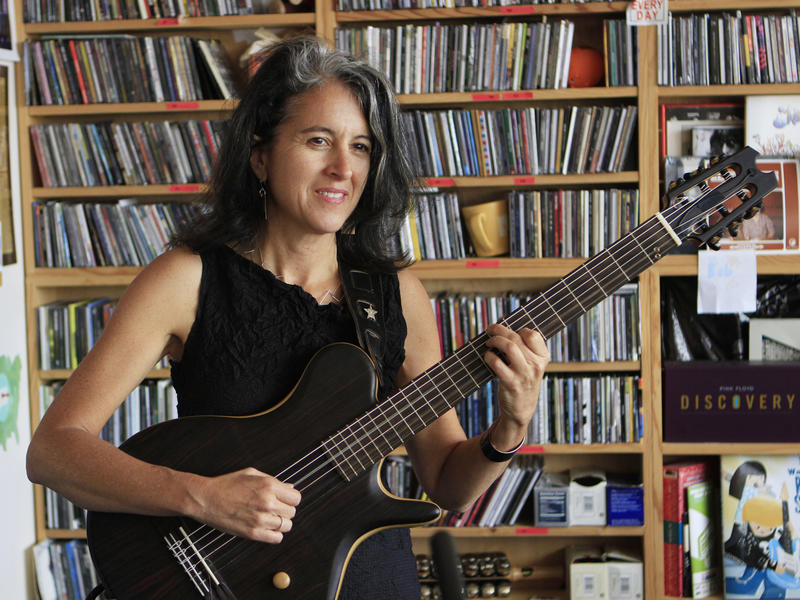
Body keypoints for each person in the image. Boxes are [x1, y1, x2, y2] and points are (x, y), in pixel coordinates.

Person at [26, 36, 549, 599]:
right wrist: (201, 496)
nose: (342, 168)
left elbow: (447, 481)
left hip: (367, 582)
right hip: (218, 581)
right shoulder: (186, 280)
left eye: (362, 147)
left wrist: (508, 429)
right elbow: (54, 450)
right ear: (260, 155)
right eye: (318, 140)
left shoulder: (397, 295)